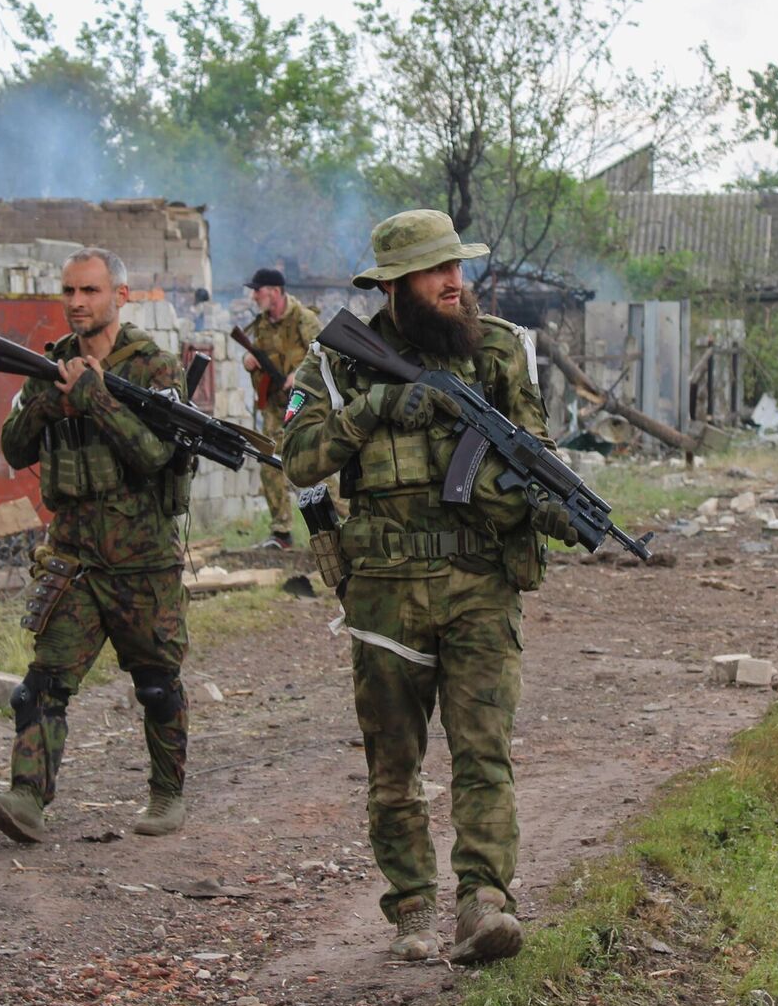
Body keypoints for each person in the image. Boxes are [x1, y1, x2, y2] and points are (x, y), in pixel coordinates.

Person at [279, 209, 576, 965]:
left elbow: (535, 451)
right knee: (395, 767)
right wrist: (376, 408)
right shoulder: (334, 363)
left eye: (458, 267)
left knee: (484, 753)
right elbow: (300, 459)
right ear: (394, 285)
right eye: (436, 270)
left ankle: (484, 901)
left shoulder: (503, 350)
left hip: (480, 582)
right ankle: (411, 904)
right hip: (384, 592)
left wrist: (549, 504)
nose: (455, 281)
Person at [0, 247, 193, 843]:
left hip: (142, 560)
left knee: (156, 683)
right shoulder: (49, 365)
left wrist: (94, 398)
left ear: (120, 296)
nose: (76, 303)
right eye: (69, 291)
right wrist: (49, 400)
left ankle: (166, 794)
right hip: (73, 556)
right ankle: (26, 799)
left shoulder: (156, 369)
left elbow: (155, 455)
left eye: (90, 291)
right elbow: (16, 450)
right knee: (43, 683)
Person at [238, 268, 322, 549]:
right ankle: (281, 532)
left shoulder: (303, 319)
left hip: (305, 404)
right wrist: (248, 361)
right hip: (275, 407)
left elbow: (325, 353)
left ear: (274, 291)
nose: (253, 296)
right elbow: (255, 354)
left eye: (258, 290)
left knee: (316, 462)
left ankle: (342, 523)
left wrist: (298, 374)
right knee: (269, 462)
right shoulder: (261, 325)